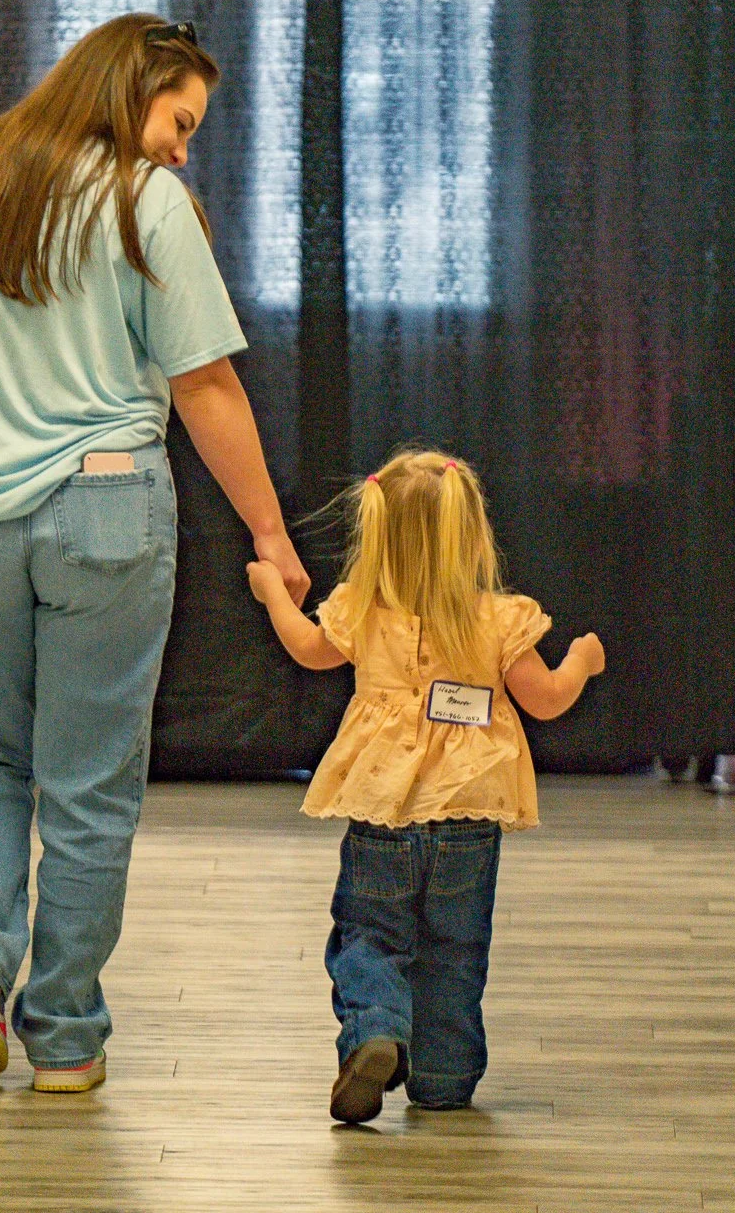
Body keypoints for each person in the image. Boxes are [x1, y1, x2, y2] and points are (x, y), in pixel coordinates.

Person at [0, 14, 308, 1093]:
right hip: (106, 505)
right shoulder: (144, 203)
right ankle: (64, 1034)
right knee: (88, 779)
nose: (178, 146)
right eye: (178, 118)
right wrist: (266, 528)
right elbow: (205, 383)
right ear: (132, 89)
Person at [246, 448, 604, 1124]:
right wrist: (582, 660)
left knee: (371, 935)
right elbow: (549, 699)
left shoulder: (360, 611)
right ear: (471, 537)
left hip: (383, 816)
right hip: (470, 818)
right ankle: (443, 1078)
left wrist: (272, 594)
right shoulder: (500, 620)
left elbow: (305, 647)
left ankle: (376, 1029)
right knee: (455, 949)